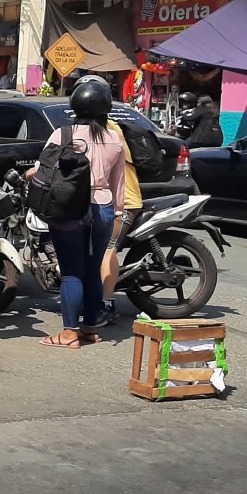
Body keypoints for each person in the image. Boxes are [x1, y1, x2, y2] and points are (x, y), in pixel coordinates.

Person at [31, 79, 126, 349]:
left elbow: (43, 170)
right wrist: (118, 214)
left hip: (69, 209)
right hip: (104, 209)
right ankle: (90, 329)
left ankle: (69, 334)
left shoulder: (63, 135)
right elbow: (119, 183)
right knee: (93, 270)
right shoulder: (114, 139)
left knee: (72, 272)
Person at [73, 76, 142, 326]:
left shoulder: (107, 129)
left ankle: (107, 303)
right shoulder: (101, 125)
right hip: (111, 197)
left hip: (120, 200)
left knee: (105, 250)